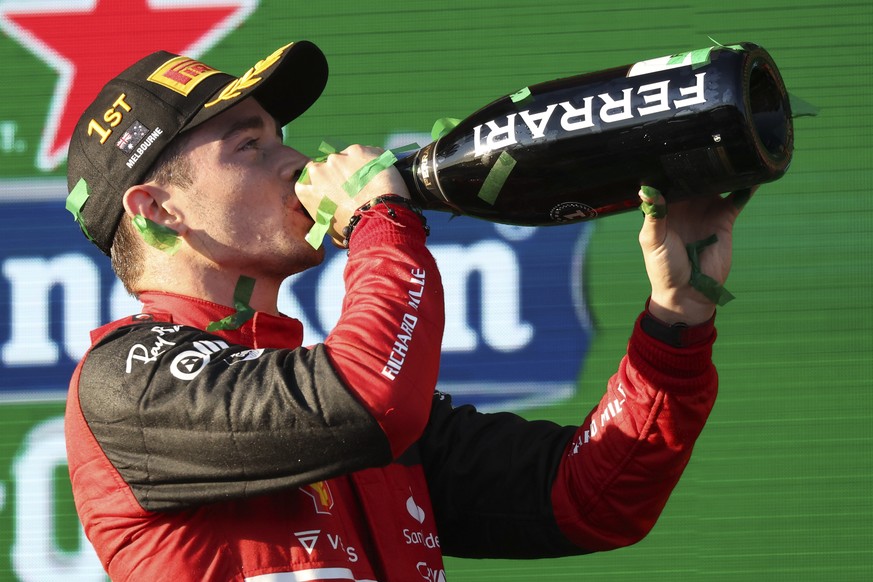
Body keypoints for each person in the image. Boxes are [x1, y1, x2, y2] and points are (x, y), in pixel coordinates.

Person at [64, 40, 751, 581]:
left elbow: (591, 501)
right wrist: (380, 218)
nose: (295, 161)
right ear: (158, 210)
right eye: (251, 144)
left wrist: (676, 317)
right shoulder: (127, 379)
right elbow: (369, 395)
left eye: (281, 135)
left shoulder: (327, 402)